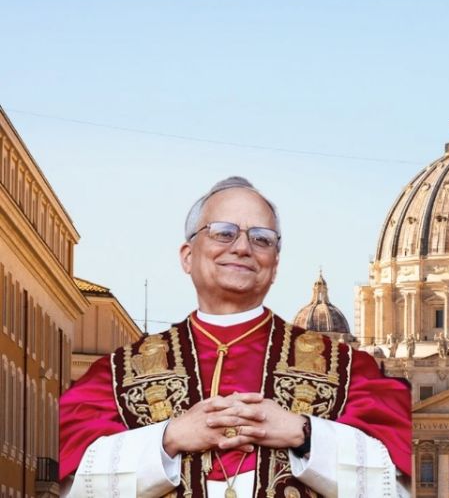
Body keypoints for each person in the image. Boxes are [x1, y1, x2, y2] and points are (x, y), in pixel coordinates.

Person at [59, 177, 412, 497]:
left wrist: (304, 434)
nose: (242, 247)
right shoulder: (116, 374)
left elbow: (395, 484)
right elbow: (73, 484)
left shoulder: (351, 371)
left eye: (261, 239)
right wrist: (169, 438)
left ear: (274, 265)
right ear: (187, 256)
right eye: (223, 233)